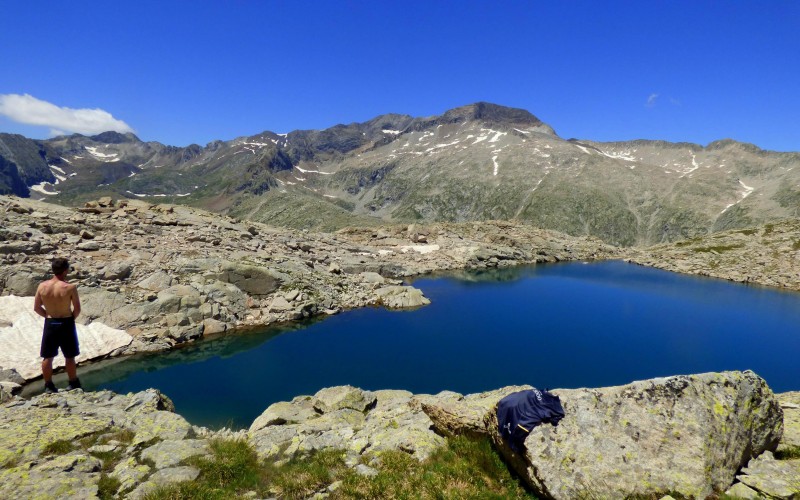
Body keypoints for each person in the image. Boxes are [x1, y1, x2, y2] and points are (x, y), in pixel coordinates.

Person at [33, 257, 82, 393]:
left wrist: (48, 316)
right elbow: (77, 308)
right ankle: (73, 383)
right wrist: (71, 318)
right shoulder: (70, 287)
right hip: (66, 322)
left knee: (48, 356)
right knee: (70, 355)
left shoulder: (42, 286)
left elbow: (36, 307)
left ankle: (48, 385)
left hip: (50, 322)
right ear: (65, 271)